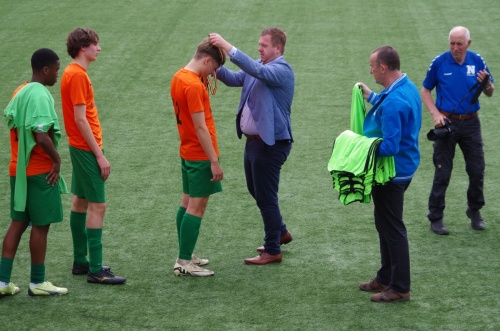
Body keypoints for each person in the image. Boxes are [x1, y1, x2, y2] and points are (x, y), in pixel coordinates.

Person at [209, 27, 294, 265]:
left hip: (271, 145)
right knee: (257, 191)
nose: (259, 48)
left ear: (278, 48)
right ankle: (281, 232)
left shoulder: (281, 70)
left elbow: (255, 70)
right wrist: (212, 63)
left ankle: (272, 249)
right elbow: (236, 78)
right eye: (259, 44)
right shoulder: (259, 65)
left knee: (266, 197)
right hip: (255, 144)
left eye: (264, 45)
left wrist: (227, 45)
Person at [0, 48, 68, 297]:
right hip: (38, 172)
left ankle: (2, 282)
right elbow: (41, 136)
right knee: (41, 226)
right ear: (46, 70)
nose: (58, 75)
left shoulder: (20, 90)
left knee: (17, 223)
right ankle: (37, 282)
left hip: (17, 169)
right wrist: (57, 160)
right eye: (57, 70)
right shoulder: (40, 94)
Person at [60, 27, 125, 284]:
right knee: (98, 205)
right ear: (82, 47)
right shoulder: (77, 76)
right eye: (95, 44)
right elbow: (80, 118)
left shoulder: (72, 72)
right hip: (87, 149)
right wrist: (99, 155)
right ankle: (96, 270)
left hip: (80, 147)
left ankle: (80, 261)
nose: (99, 48)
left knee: (81, 201)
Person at [357, 46, 422, 302]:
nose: (370, 70)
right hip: (405, 167)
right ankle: (385, 278)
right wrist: (372, 96)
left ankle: (400, 287)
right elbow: (391, 105)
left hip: (392, 174)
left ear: (383, 68)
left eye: (372, 66)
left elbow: (390, 146)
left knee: (392, 229)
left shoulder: (394, 101)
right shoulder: (407, 87)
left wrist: (359, 147)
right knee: (385, 224)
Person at [422, 26, 495, 235]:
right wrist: (436, 114)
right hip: (447, 122)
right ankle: (435, 217)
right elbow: (426, 90)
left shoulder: (477, 60)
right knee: (442, 171)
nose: (455, 48)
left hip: (472, 123)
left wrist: (487, 83)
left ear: (468, 44)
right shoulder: (439, 62)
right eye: (452, 43)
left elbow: (490, 92)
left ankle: (474, 210)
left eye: (459, 43)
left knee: (477, 169)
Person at [170, 37, 226, 277]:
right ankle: (184, 261)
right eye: (213, 68)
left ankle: (186, 252)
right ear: (206, 60)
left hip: (187, 150)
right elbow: (201, 127)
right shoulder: (193, 85)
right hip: (200, 154)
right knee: (197, 206)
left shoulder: (178, 77)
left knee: (186, 202)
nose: (212, 74)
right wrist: (214, 161)